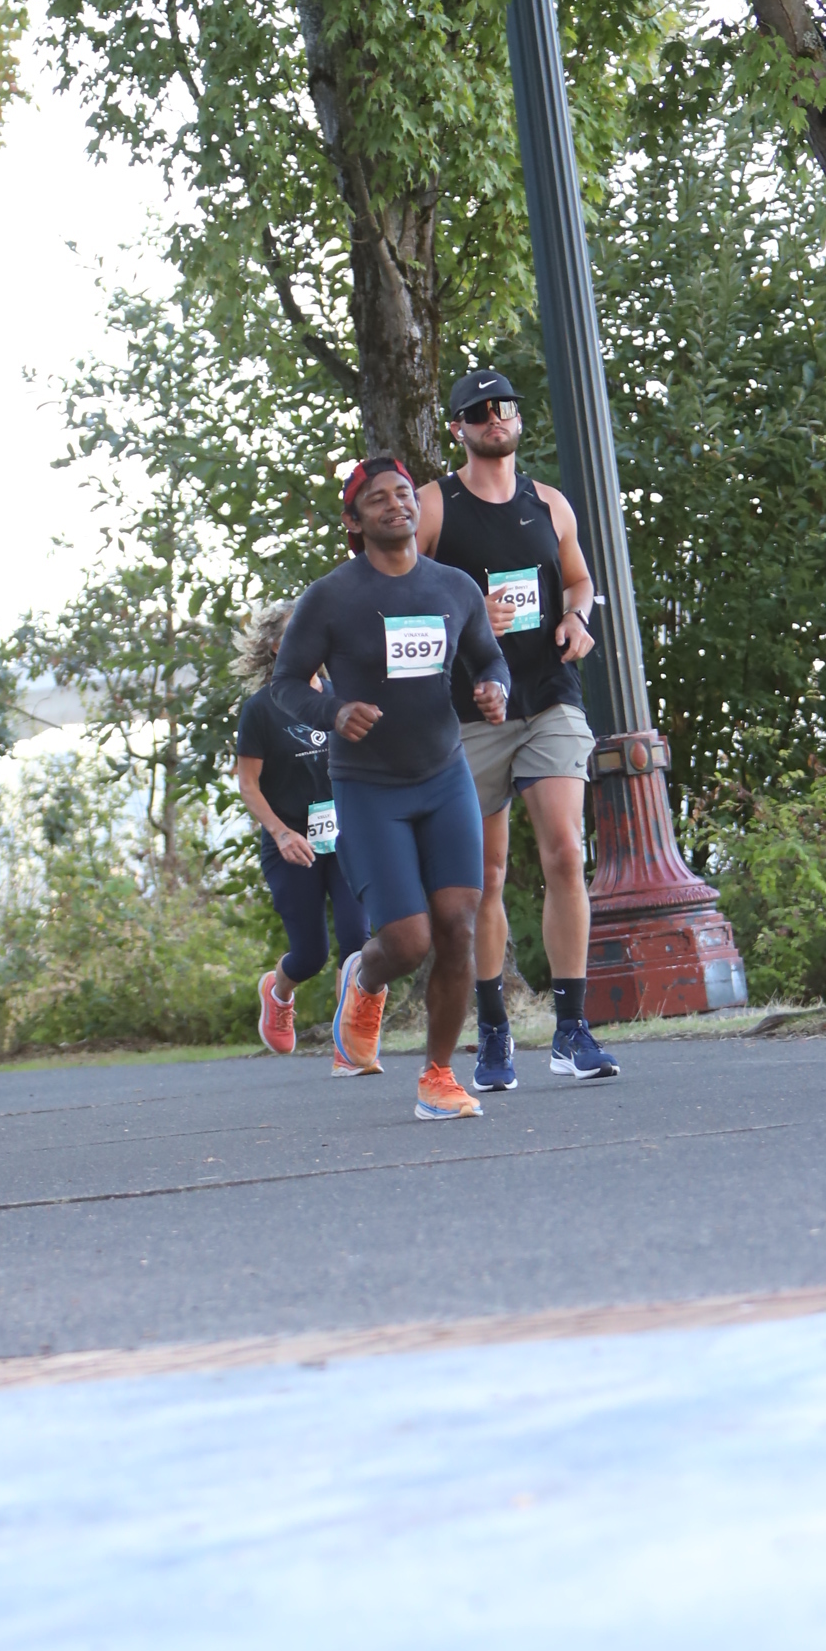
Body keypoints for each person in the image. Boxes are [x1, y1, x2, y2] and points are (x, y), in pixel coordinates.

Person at [271, 457, 510, 1122]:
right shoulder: (332, 597)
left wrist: (495, 687)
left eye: (403, 493)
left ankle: (438, 1077)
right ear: (354, 520)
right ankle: (366, 976)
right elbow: (285, 684)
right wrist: (334, 711)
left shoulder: (454, 587)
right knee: (408, 942)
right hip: (369, 788)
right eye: (377, 499)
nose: (396, 504)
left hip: (444, 776)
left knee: (458, 925)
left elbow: (488, 656)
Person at [418, 368, 622, 1089]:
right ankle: (494, 1032)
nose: (494, 418)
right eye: (478, 412)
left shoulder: (549, 502)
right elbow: (399, 592)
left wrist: (578, 617)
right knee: (486, 876)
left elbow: (579, 580)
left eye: (503, 406)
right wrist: (469, 616)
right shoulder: (433, 505)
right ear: (458, 429)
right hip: (471, 710)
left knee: (566, 852)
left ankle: (571, 1031)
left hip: (549, 695)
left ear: (517, 419)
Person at [234, 603, 366, 1056]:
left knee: (358, 941)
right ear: (276, 647)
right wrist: (280, 833)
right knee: (310, 955)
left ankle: (351, 1043)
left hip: (345, 838)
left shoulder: (340, 695)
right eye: (297, 633)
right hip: (291, 842)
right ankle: (278, 991)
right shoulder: (260, 709)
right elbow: (248, 785)